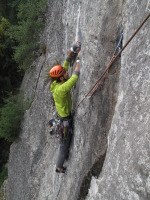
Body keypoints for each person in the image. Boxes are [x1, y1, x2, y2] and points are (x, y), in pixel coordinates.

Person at [49, 41, 81, 173]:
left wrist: (72, 50)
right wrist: (79, 59)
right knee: (64, 146)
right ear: (62, 79)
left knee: (64, 142)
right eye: (64, 74)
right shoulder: (61, 89)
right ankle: (59, 167)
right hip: (65, 121)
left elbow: (66, 64)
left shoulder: (56, 83)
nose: (66, 72)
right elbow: (75, 77)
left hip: (62, 116)